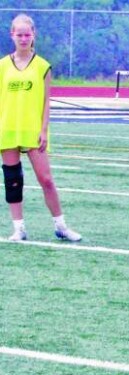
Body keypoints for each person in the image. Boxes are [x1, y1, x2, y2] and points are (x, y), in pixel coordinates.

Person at [0, 14, 81, 242]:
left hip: (33, 130)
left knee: (46, 179)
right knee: (12, 180)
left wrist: (43, 130)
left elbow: (46, 102)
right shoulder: (3, 66)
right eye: (19, 35)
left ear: (34, 35)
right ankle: (19, 228)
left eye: (27, 34)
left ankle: (61, 226)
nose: (24, 39)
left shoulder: (43, 66)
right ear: (12, 35)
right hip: (7, 129)